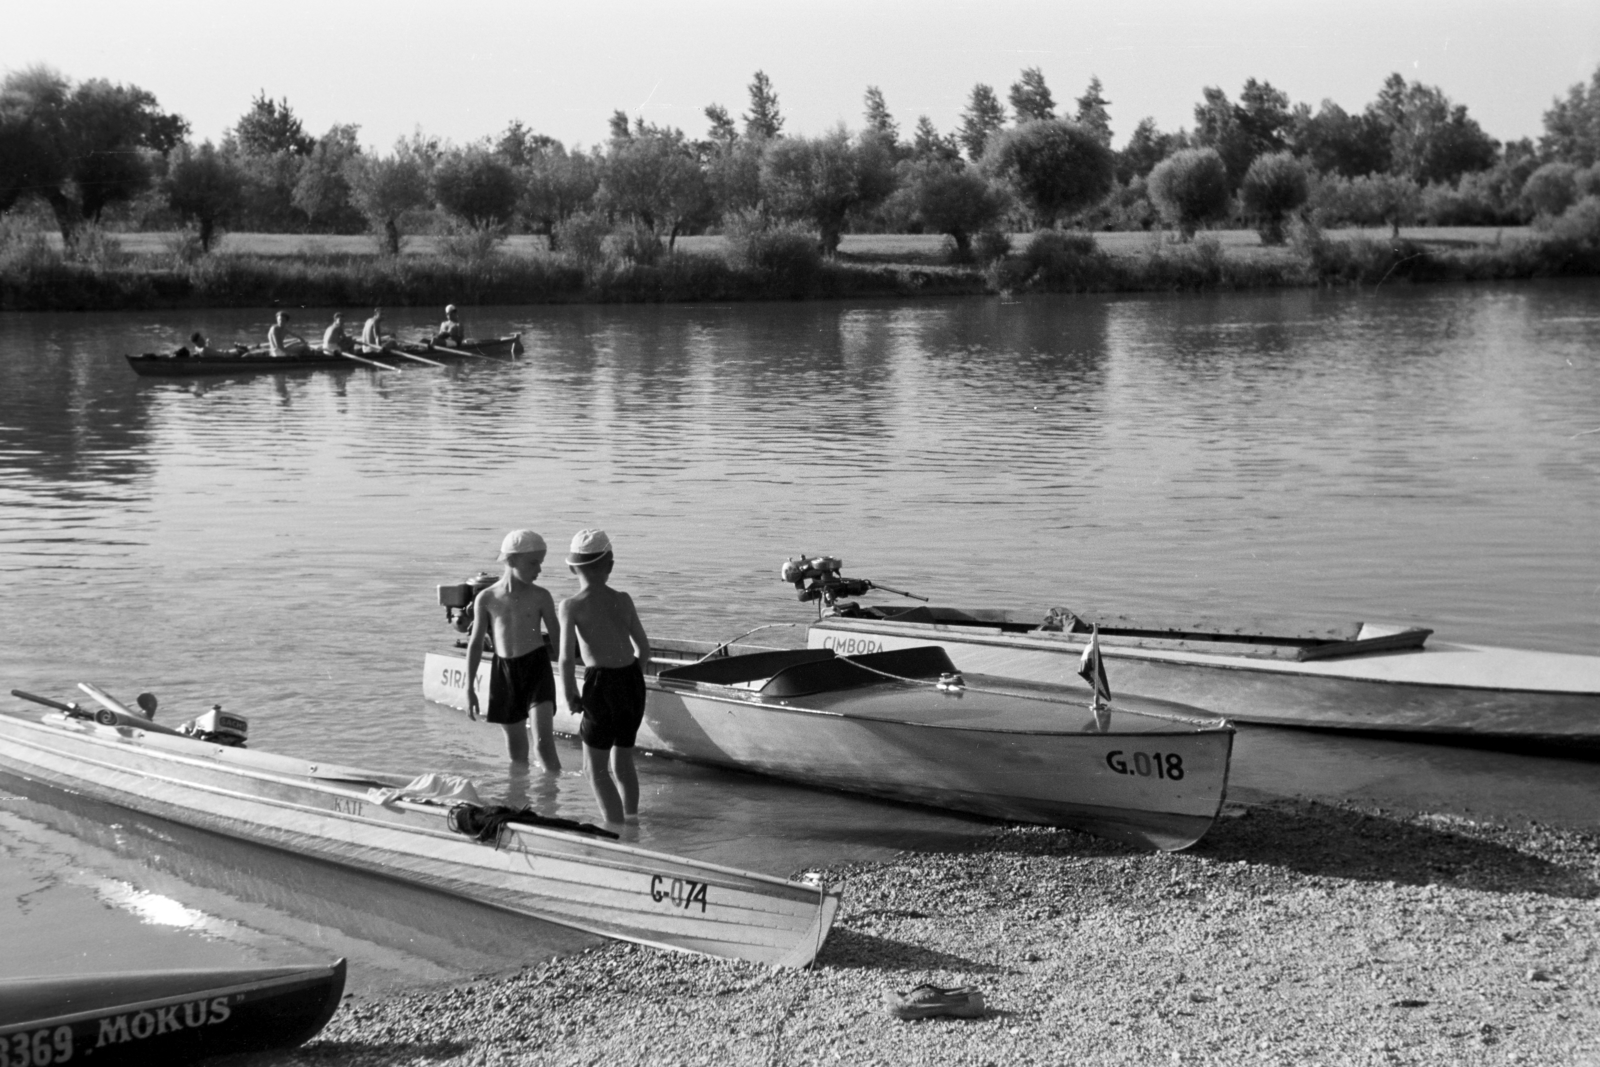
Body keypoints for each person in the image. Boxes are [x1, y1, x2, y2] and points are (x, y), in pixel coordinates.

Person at [558, 529, 650, 825]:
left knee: (594, 770)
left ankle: (617, 831)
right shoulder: (623, 599)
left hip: (601, 685)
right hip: (632, 682)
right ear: (610, 564)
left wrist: (571, 694)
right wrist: (634, 675)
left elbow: (565, 658)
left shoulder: (571, 605)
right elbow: (644, 649)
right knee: (623, 762)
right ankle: (632, 819)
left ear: (572, 567)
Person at [465, 530, 562, 770]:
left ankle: (552, 802)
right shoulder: (486, 598)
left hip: (536, 669)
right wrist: (469, 688)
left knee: (543, 744)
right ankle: (519, 801)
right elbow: (476, 643)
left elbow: (560, 640)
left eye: (540, 563)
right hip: (504, 673)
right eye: (533, 563)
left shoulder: (541, 596)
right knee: (517, 752)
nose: (538, 570)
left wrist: (569, 681)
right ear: (510, 560)